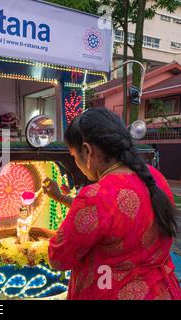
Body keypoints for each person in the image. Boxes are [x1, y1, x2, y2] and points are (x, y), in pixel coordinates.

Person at [42, 108, 180, 300]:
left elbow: (58, 258)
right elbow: (111, 218)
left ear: (87, 151)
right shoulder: (155, 177)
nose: (76, 162)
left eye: (74, 155)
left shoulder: (96, 195)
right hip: (160, 291)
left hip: (110, 291)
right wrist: (61, 198)